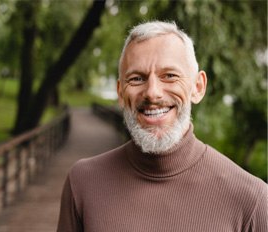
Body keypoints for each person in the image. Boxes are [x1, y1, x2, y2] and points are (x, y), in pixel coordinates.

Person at [57, 21, 267, 232]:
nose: (152, 93)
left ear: (198, 87)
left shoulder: (252, 200)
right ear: (120, 93)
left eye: (169, 76)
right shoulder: (83, 182)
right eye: (137, 78)